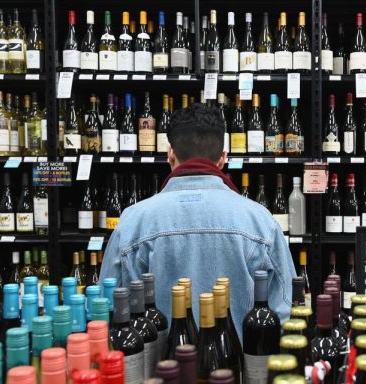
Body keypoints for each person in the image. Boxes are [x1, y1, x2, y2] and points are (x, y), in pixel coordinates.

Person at [99, 103, 296, 339]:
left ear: (170, 154)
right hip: (240, 373)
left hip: (154, 373)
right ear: (223, 159)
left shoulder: (132, 223)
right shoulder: (261, 222)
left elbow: (105, 313)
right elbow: (288, 316)